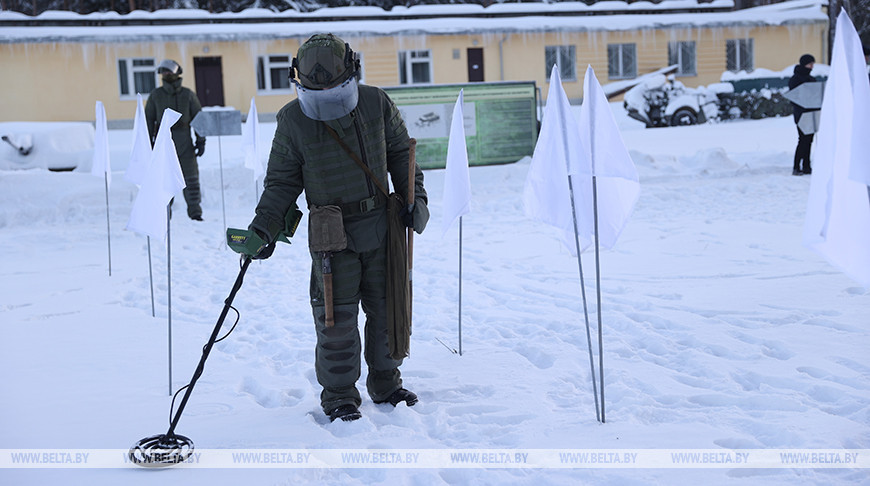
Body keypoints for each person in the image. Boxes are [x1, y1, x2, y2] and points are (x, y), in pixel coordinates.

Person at [248, 33, 429, 423]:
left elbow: (401, 152)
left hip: (382, 226)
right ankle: (340, 396)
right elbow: (281, 183)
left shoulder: (376, 103)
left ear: (352, 73)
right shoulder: (293, 121)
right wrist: (264, 228)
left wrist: (415, 198)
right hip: (332, 236)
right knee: (336, 319)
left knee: (387, 309)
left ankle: (386, 382)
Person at [145, 59, 206, 220]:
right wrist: (148, 143)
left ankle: (195, 213)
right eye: (164, 72)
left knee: (191, 180)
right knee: (165, 181)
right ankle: (164, 214)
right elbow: (148, 120)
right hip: (163, 143)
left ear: (177, 73)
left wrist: (201, 140)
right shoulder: (155, 96)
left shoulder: (188, 95)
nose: (166, 75)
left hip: (185, 143)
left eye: (169, 72)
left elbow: (199, 118)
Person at [788, 53, 817, 176]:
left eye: (812, 64)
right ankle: (796, 167)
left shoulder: (812, 79)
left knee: (809, 140)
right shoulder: (795, 79)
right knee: (802, 140)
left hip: (812, 113)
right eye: (810, 64)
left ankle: (806, 166)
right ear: (804, 64)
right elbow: (795, 97)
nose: (812, 67)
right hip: (802, 114)